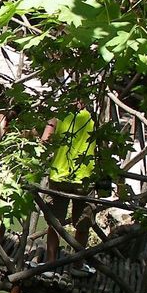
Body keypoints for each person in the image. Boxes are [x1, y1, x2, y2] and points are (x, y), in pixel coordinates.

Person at [42, 105, 97, 273]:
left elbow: (45, 139)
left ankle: (50, 264)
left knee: (54, 223)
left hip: (59, 175)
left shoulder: (58, 115)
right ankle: (77, 265)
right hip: (84, 177)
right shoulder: (95, 118)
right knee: (82, 224)